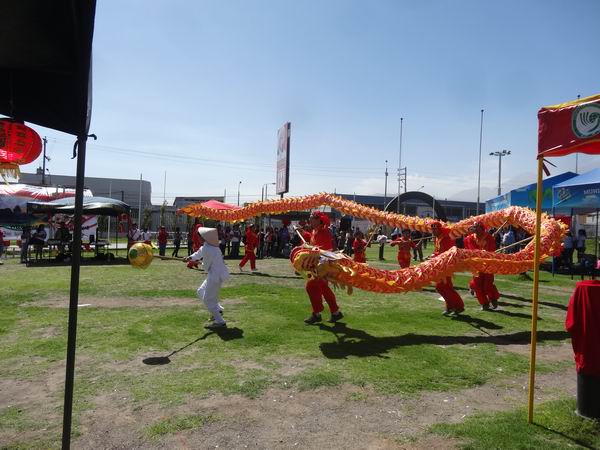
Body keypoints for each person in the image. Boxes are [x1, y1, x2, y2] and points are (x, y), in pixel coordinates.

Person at [303, 211, 343, 324]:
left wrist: (310, 248)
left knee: (311, 286)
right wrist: (303, 233)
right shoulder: (315, 231)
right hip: (316, 265)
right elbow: (313, 240)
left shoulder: (324, 232)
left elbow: (325, 250)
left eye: (312, 218)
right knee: (323, 288)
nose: (310, 220)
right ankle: (335, 312)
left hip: (323, 265)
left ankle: (317, 313)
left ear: (318, 220)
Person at [185, 227, 230, 329]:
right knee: (200, 291)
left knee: (208, 300)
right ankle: (218, 310)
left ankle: (220, 320)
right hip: (215, 275)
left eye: (200, 237)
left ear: (204, 238)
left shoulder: (208, 248)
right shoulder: (209, 246)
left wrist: (198, 262)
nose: (198, 238)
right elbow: (198, 253)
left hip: (215, 276)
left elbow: (206, 266)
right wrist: (190, 258)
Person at [464, 221, 500, 310]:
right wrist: (480, 253)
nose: (475, 229)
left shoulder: (489, 237)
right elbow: (471, 250)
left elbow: (492, 249)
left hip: (488, 264)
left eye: (477, 227)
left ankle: (493, 299)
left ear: (482, 228)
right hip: (476, 265)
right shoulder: (470, 238)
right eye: (474, 227)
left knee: (487, 284)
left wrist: (486, 252)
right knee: (477, 285)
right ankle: (484, 304)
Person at [430, 221, 464, 316]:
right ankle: (450, 307)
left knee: (441, 287)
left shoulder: (446, 238)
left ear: (439, 229)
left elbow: (448, 253)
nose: (433, 231)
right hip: (440, 266)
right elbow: (438, 251)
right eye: (432, 229)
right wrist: (433, 255)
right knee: (445, 287)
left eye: (435, 229)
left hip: (446, 266)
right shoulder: (438, 238)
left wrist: (435, 256)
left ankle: (457, 306)